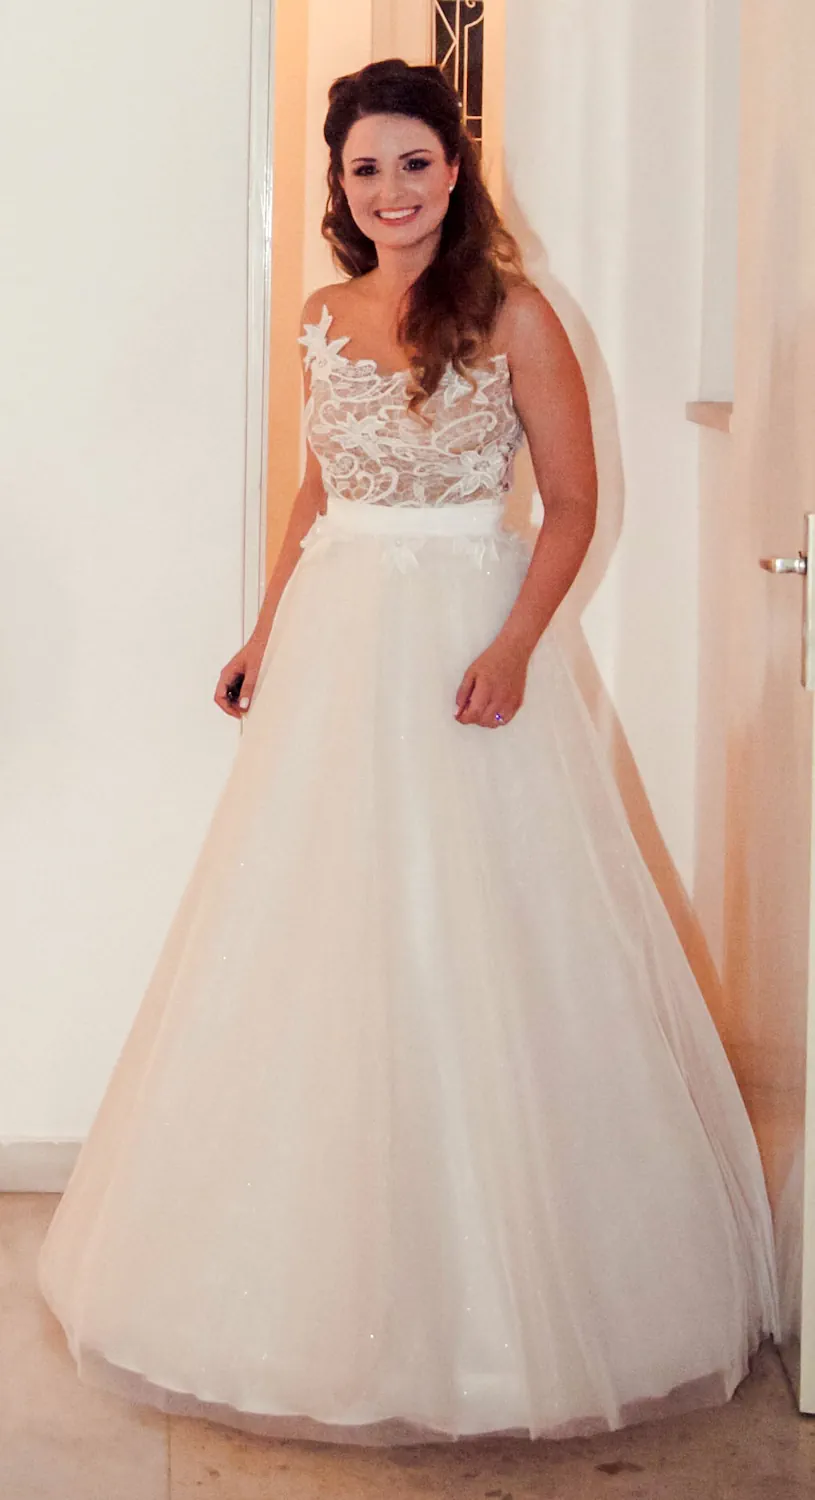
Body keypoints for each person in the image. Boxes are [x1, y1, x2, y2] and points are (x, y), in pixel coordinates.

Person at [37, 58, 780, 1447]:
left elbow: (573, 506)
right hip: (339, 638)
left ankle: (504, 1310)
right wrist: (265, 631)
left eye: (414, 163)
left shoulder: (516, 314)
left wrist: (514, 647)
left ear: (455, 170)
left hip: (459, 637)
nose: (390, 190)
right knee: (321, 929)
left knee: (482, 933)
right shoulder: (322, 315)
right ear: (340, 183)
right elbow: (317, 490)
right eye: (365, 167)